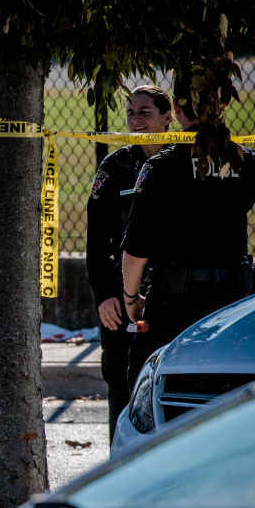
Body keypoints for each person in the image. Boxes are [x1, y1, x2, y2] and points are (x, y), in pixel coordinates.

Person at [122, 76, 255, 385]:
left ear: (175, 108)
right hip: (230, 305)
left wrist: (131, 297)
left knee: (162, 386)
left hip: (174, 304)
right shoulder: (242, 159)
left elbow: (136, 248)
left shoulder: (162, 166)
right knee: (222, 391)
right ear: (223, 106)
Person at [86, 85, 173, 442]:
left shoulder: (183, 162)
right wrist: (104, 295)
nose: (135, 120)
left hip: (169, 295)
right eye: (130, 112)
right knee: (122, 385)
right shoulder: (116, 166)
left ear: (168, 118)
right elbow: (96, 241)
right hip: (121, 299)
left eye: (145, 112)